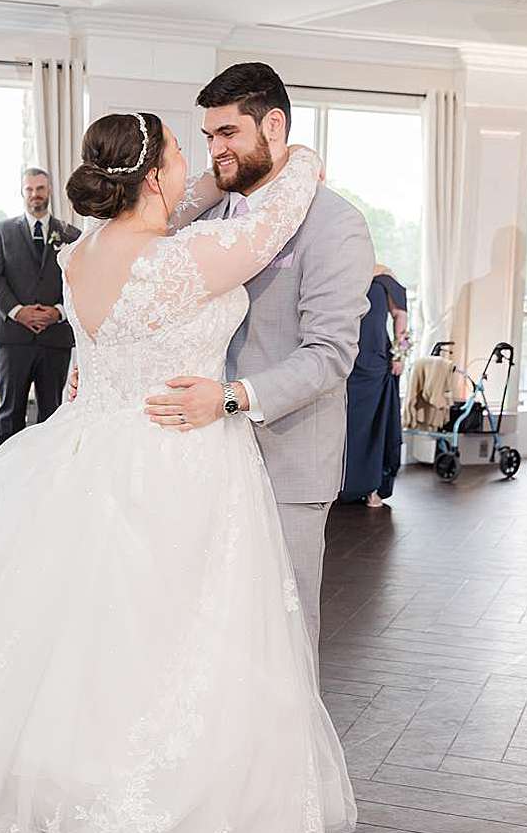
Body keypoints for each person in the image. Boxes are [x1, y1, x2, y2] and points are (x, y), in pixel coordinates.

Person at [0, 113, 355, 833]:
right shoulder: (184, 259)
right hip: (177, 460)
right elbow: (277, 217)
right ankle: (147, 813)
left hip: (90, 454)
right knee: (172, 642)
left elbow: (100, 344)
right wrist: (298, 152)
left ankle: (72, 789)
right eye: (183, 152)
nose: (195, 163)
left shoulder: (77, 256)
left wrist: (206, 173)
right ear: (153, 176)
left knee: (84, 638)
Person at [143, 62, 375, 652]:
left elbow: (330, 355)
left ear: (274, 126)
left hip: (288, 456)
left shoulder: (335, 225)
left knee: (286, 629)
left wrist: (229, 398)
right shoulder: (212, 216)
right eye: (209, 137)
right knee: (217, 626)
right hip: (210, 456)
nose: (215, 151)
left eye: (228, 134)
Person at [0, 168, 81, 443]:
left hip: (54, 337)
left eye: (40, 188)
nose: (35, 194)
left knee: (52, 413)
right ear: (22, 192)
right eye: (30, 189)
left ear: (50, 191)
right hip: (12, 337)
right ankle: (4, 476)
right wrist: (18, 312)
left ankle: (44, 479)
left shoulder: (71, 234)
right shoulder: (1, 231)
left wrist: (58, 312)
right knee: (10, 411)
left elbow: (79, 281)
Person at [339, 265, 408, 507]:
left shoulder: (384, 276)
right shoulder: (343, 272)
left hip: (375, 363)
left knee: (375, 426)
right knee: (346, 427)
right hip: (344, 360)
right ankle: (342, 486)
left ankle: (372, 487)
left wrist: (400, 354)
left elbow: (400, 315)